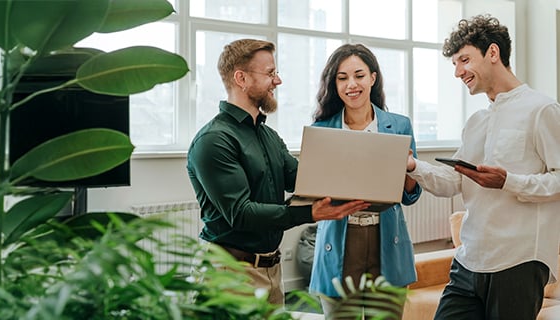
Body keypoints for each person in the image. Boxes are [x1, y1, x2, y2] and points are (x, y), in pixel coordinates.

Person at [186, 38, 372, 305]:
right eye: (270, 73)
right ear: (241, 78)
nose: (278, 81)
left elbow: (302, 178)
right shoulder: (214, 140)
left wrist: (364, 164)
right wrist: (309, 212)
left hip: (271, 270)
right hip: (227, 273)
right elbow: (241, 214)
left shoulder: (269, 136)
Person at [406, 14, 560, 320]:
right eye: (454, 64)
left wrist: (508, 182)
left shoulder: (542, 109)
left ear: (493, 53)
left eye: (464, 60)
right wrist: (413, 167)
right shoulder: (476, 122)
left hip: (518, 262)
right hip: (468, 261)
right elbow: (452, 181)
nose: (458, 72)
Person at [308, 43, 422, 318]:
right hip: (339, 241)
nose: (351, 85)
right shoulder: (320, 130)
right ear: (334, 84)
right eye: (342, 78)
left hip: (386, 242)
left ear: (373, 78)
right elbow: (314, 193)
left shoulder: (399, 125)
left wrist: (407, 170)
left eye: (359, 75)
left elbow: (411, 195)